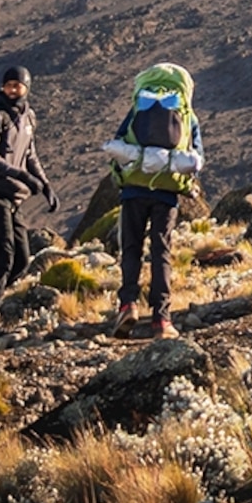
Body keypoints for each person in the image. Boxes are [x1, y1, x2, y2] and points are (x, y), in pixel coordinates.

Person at [101, 62, 203, 340]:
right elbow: (197, 158)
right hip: (165, 194)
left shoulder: (140, 108)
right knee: (161, 251)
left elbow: (120, 140)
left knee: (131, 248)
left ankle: (127, 305)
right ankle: (161, 319)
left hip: (133, 190)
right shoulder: (185, 114)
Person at [0, 65, 50, 337]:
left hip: (11, 197)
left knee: (21, 261)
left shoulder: (28, 118)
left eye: (18, 85)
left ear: (27, 87)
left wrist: (46, 185)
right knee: (3, 256)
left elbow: (30, 155)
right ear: (3, 87)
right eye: (9, 85)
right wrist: (23, 178)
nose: (13, 90)